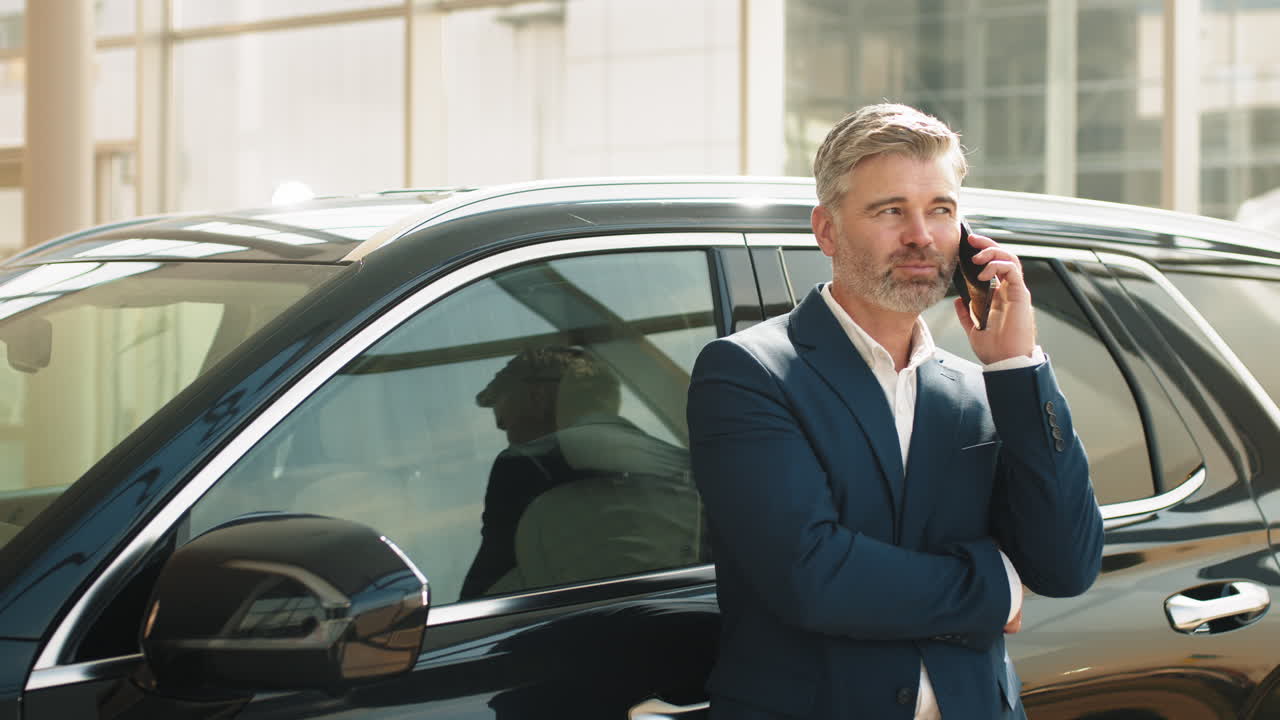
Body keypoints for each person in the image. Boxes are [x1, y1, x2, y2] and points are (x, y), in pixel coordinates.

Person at [686, 103, 1104, 719]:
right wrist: (998, 589)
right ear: (826, 230)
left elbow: (1067, 567)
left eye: (941, 209)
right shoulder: (750, 372)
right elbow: (815, 577)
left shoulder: (982, 390)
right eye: (890, 211)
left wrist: (1017, 368)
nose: (921, 236)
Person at [462, 345, 697, 599]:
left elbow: (482, 594)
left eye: (506, 424)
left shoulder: (525, 464)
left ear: (537, 398)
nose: (509, 437)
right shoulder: (685, 466)